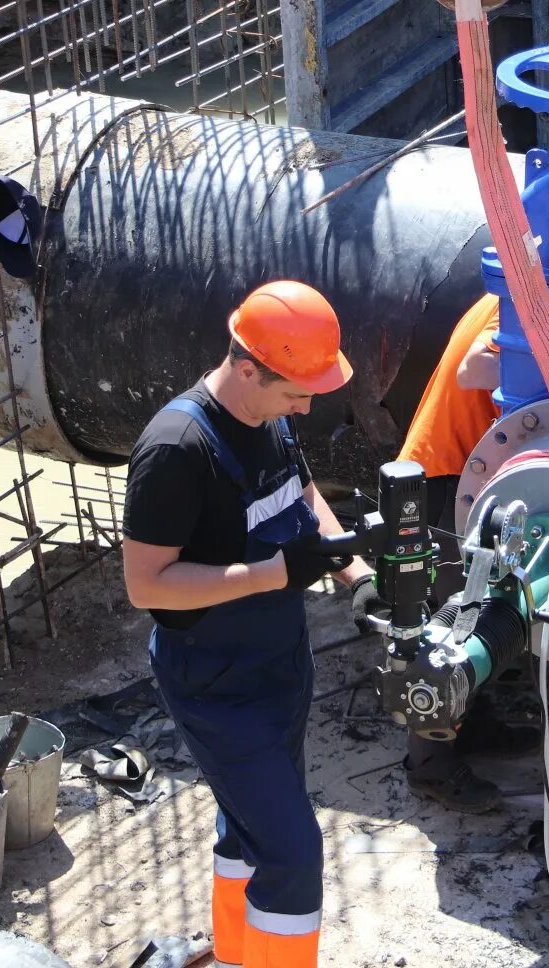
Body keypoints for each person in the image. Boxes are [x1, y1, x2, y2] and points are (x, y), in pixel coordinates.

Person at [123, 280, 374, 968]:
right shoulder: (176, 448)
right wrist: (273, 574)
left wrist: (354, 572)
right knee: (293, 852)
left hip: (281, 665)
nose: (309, 405)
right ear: (245, 369)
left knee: (248, 829)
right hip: (215, 684)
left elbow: (303, 492)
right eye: (298, 391)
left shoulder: (270, 415)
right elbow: (146, 585)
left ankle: (236, 955)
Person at [387, 292, 537, 813]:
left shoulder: (527, 286)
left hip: (475, 468)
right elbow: (476, 369)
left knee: (484, 611)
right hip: (450, 469)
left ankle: (474, 721)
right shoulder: (523, 293)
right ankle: (429, 768)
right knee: (453, 629)